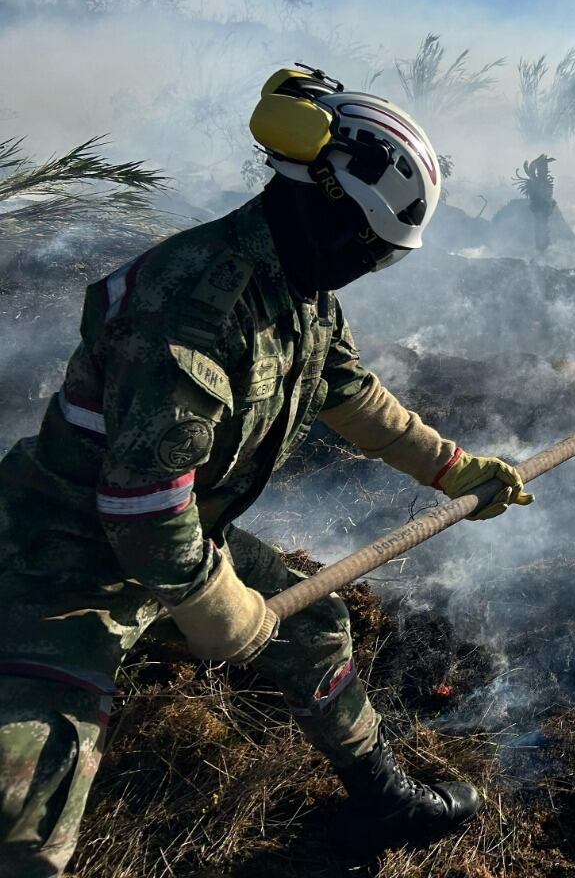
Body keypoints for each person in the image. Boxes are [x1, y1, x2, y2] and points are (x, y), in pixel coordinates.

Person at [0, 65, 532, 875]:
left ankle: (381, 797)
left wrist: (452, 468)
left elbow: (347, 391)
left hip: (182, 536)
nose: (368, 269)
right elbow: (142, 511)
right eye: (371, 250)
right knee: (30, 800)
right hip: (61, 556)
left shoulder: (298, 286)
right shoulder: (191, 309)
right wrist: (223, 612)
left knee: (314, 626)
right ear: (328, 205)